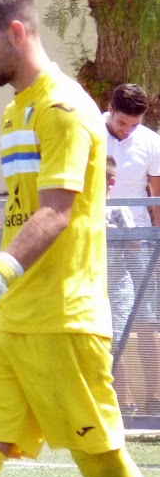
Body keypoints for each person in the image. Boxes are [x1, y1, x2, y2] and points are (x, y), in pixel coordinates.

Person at [0, 0, 150, 477]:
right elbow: (25, 209)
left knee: (101, 463)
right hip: (8, 322)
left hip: (62, 322)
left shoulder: (63, 107)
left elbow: (55, 213)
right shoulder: (15, 109)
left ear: (15, 32)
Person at [105, 83, 160, 414]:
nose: (126, 130)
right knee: (111, 323)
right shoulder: (89, 130)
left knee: (148, 322)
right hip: (101, 237)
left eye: (134, 124)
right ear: (110, 108)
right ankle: (122, 403)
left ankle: (155, 400)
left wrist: (156, 241)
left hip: (140, 242)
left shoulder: (152, 142)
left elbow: (157, 196)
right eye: (122, 122)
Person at [105, 155, 137, 414]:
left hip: (117, 285)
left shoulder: (117, 209)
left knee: (117, 342)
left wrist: (112, 233)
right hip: (88, 285)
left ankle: (126, 403)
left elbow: (136, 244)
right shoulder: (77, 206)